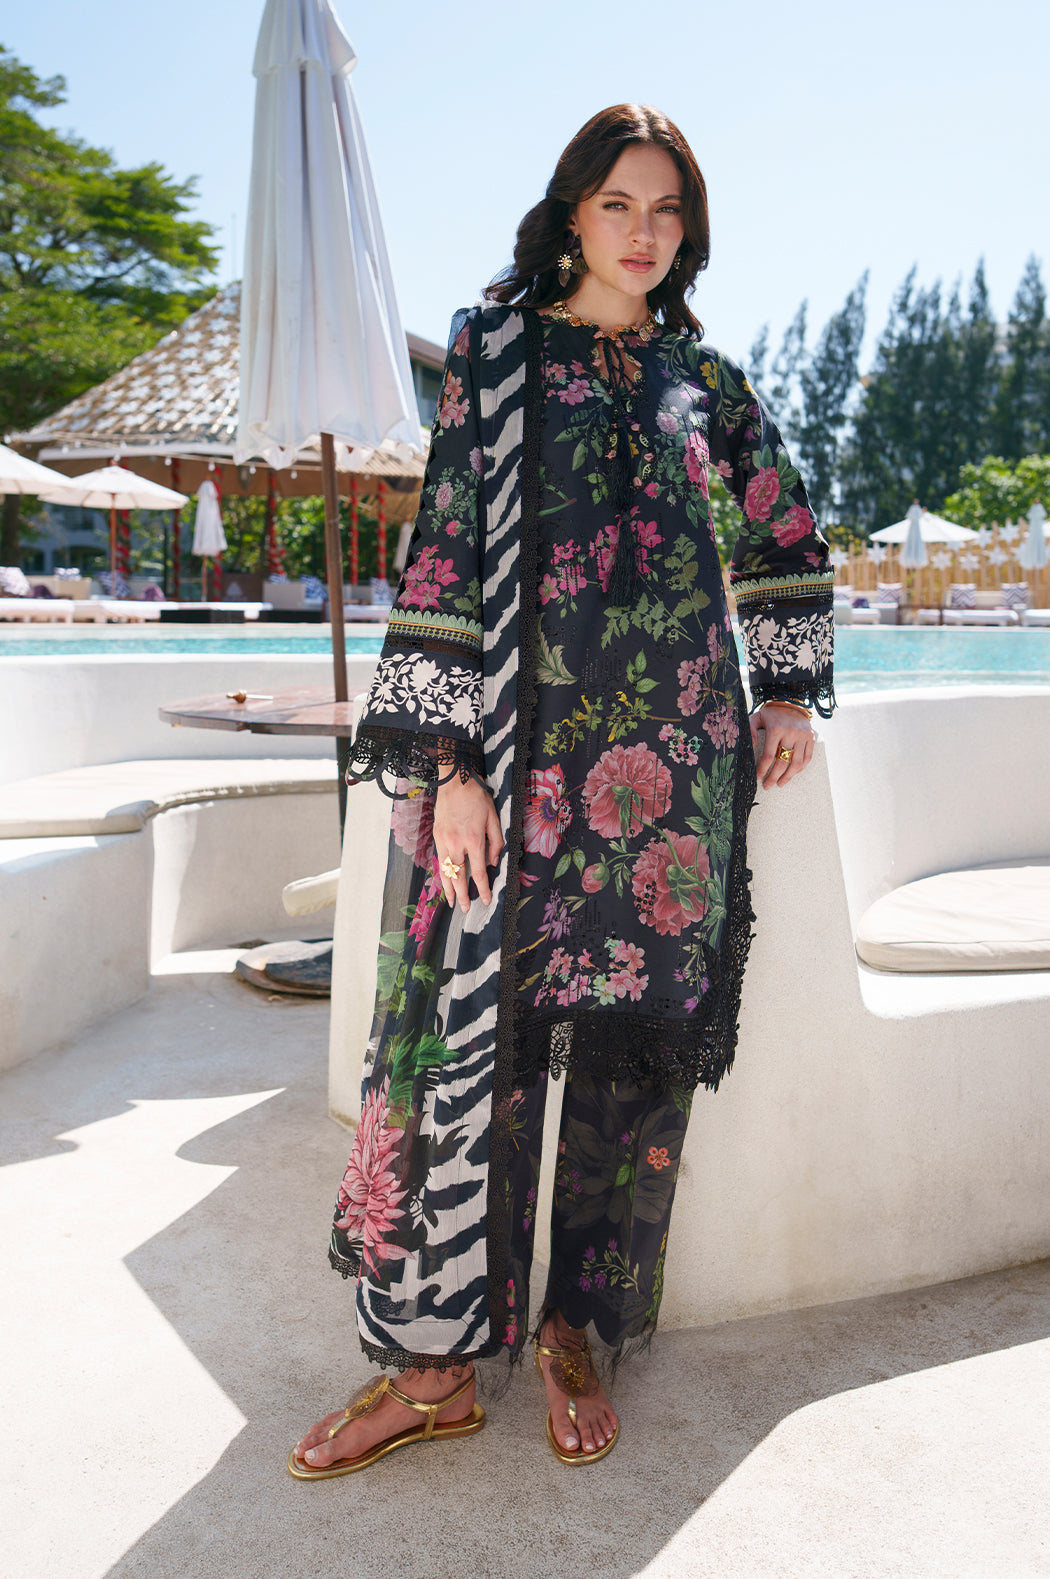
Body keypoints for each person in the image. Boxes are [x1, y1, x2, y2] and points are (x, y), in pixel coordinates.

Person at [290, 103, 834, 1478]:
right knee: (466, 1051)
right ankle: (430, 1369)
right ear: (572, 212)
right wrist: (450, 768)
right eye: (617, 205)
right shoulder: (493, 355)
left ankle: (575, 1333)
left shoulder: (705, 379)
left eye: (667, 210)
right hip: (520, 766)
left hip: (674, 781)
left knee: (629, 1071)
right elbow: (445, 552)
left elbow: (781, 528)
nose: (644, 234)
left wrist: (782, 688)